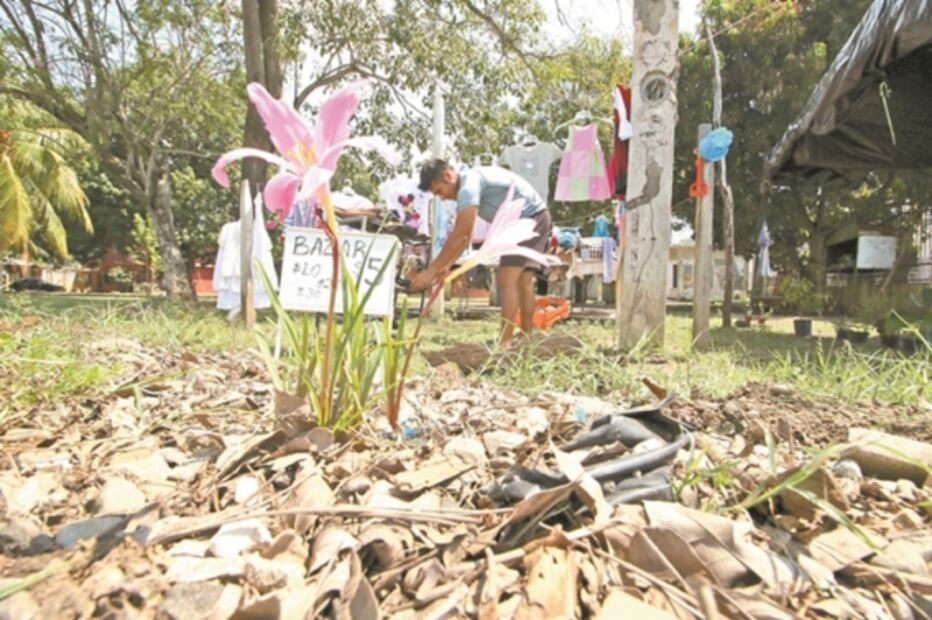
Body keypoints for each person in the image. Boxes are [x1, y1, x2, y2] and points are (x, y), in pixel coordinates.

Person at [409, 159, 553, 346]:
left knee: (507, 278)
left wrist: (431, 271)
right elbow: (464, 237)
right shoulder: (472, 181)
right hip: (535, 216)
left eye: (439, 191)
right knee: (522, 281)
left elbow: (461, 235)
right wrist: (445, 266)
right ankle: (527, 339)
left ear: (447, 175)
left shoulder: (469, 186)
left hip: (528, 218)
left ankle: (504, 344)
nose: (442, 198)